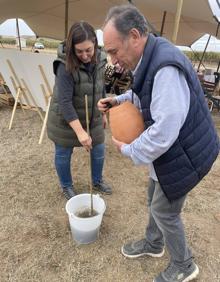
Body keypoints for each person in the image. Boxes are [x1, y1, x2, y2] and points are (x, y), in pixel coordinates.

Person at [98, 4, 219, 282]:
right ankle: (154, 244)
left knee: (165, 210)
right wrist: (118, 100)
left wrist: (129, 149)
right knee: (155, 197)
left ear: (135, 36)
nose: (113, 61)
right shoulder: (151, 55)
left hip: (186, 153)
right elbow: (145, 95)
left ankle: (184, 265)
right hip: (176, 150)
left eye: (115, 51)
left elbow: (164, 132)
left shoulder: (164, 67)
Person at [47, 21, 112, 200]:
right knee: (63, 153)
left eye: (88, 50)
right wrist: (80, 132)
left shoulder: (100, 59)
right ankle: (66, 186)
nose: (84, 55)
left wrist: (104, 113)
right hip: (66, 120)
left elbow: (101, 88)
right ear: (71, 49)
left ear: (95, 44)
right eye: (79, 51)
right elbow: (64, 102)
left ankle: (97, 181)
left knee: (98, 151)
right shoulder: (64, 65)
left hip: (93, 116)